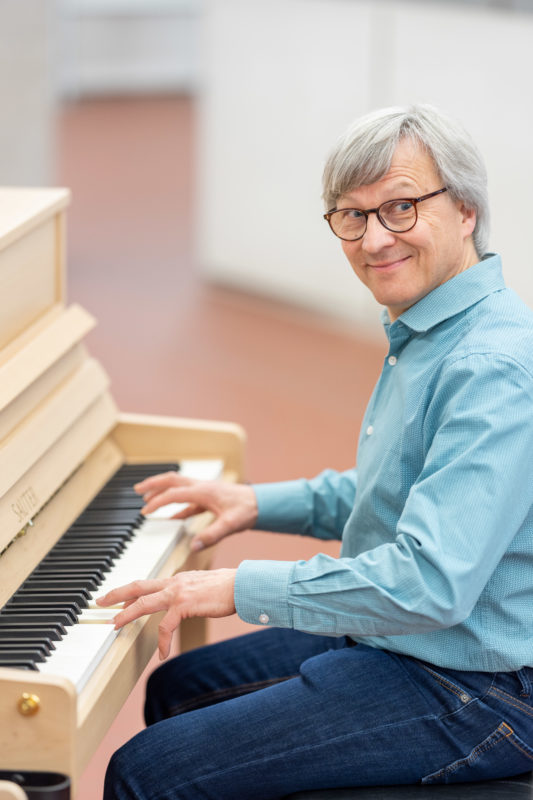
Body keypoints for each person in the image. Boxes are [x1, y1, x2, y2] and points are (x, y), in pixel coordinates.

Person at [100, 104, 533, 799]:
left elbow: (428, 583)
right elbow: (389, 494)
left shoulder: (491, 364)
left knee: (145, 772)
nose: (372, 239)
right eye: (351, 216)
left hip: (481, 687)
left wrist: (238, 586)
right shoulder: (433, 330)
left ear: (465, 211)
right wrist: (252, 503)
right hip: (415, 641)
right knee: (181, 687)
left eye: (399, 207)